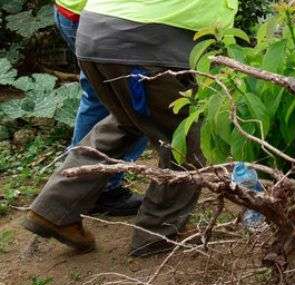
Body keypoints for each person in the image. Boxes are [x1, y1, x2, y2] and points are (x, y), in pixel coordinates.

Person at [22, 0, 237, 257]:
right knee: (185, 135)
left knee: (126, 122)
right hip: (140, 44)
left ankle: (53, 209)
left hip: (94, 33)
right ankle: (158, 234)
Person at [53, 0, 148, 216]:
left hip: (76, 12)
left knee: (98, 99)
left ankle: (77, 184)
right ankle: (98, 187)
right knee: (139, 101)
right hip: (105, 19)